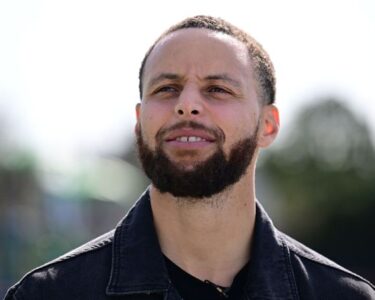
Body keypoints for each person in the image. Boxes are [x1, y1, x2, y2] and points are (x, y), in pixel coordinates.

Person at [4, 15, 374, 300]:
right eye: (167, 89)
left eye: (217, 89)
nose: (186, 105)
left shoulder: (340, 295)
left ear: (268, 125)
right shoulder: (52, 293)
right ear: (140, 123)